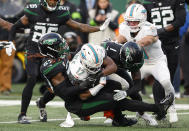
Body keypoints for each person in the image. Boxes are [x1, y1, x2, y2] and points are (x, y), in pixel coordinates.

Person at [0, 0, 111, 124]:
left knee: (55, 86)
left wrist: (99, 28)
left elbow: (80, 26)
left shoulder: (61, 13)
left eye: (55, 0)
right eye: (50, 0)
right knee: (31, 78)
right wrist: (10, 42)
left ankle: (42, 103)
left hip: (52, 52)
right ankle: (22, 114)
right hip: (34, 51)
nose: (52, 3)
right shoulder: (33, 10)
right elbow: (15, 26)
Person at [37, 33, 173, 127]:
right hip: (77, 103)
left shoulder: (74, 57)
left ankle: (118, 119)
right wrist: (88, 84)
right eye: (59, 46)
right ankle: (157, 108)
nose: (64, 47)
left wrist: (97, 79)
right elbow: (70, 94)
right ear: (50, 51)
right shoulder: (53, 68)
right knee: (114, 100)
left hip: (85, 87)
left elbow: (104, 65)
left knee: (115, 85)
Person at [115, 3, 177, 123]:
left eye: (135, 21)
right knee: (126, 85)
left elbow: (149, 39)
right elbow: (122, 37)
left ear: (142, 19)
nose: (131, 24)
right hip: (140, 64)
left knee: (165, 82)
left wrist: (135, 44)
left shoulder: (150, 28)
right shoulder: (124, 26)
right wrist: (114, 41)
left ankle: (172, 108)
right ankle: (139, 111)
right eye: (130, 21)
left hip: (156, 62)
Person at [141, 0, 186, 123]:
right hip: (155, 45)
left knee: (168, 75)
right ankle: (159, 110)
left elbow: (180, 21)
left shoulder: (176, 2)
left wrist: (161, 30)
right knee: (158, 76)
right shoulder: (147, 4)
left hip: (172, 43)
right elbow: (144, 23)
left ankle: (168, 106)